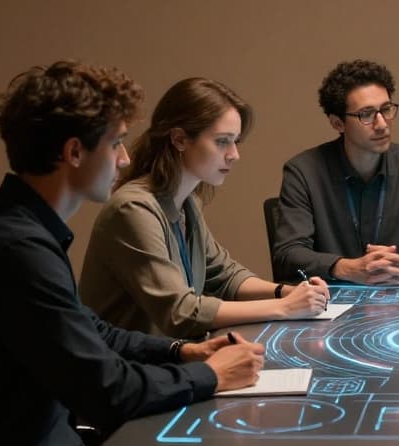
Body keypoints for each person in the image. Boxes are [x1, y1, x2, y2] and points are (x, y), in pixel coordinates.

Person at [0, 61, 291, 446]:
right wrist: (211, 375)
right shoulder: (14, 250)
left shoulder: (20, 230)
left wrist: (184, 352)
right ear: (73, 152)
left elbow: (95, 330)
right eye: (115, 144)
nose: (126, 159)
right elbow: (108, 392)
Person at [81, 77, 331, 337]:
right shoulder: (132, 209)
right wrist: (283, 307)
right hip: (130, 369)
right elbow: (181, 312)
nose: (234, 154)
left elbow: (224, 274)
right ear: (179, 139)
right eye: (223, 141)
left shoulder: (188, 201)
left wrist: (284, 291)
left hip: (169, 360)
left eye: (236, 142)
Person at [272, 59, 399, 284]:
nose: (382, 124)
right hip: (327, 303)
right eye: (366, 114)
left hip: (395, 303)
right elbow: (288, 254)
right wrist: (347, 268)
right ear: (337, 123)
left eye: (386, 109)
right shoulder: (303, 172)